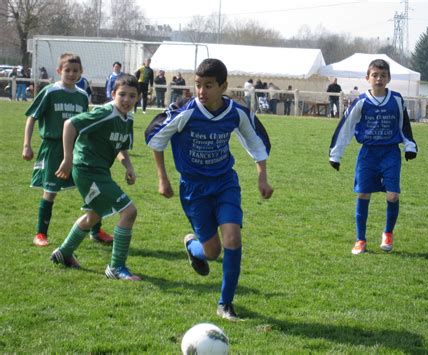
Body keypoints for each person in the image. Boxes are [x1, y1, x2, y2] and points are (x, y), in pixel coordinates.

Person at [145, 58, 273, 320]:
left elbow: (256, 143)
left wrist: (262, 177)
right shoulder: (186, 111)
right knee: (212, 252)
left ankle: (225, 303)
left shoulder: (236, 113)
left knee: (233, 238)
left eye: (209, 86)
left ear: (223, 86)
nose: (201, 91)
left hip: (225, 182)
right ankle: (192, 245)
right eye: (198, 85)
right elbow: (156, 140)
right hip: (194, 188)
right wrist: (163, 178)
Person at [51, 74, 140, 280]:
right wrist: (67, 158)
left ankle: (63, 253)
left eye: (132, 96)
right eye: (122, 94)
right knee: (129, 212)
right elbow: (70, 125)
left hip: (98, 171)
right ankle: (116, 267)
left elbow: (122, 147)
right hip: (87, 169)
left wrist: (129, 166)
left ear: (138, 98)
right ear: (112, 94)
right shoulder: (105, 112)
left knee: (94, 216)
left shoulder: (128, 119)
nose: (127, 100)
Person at [22, 53, 112, 247]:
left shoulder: (81, 96)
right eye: (67, 70)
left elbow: (85, 124)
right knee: (50, 191)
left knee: (91, 189)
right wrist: (26, 145)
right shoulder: (50, 91)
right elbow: (32, 117)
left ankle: (96, 231)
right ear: (59, 71)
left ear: (81, 72)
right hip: (53, 148)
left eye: (75, 71)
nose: (71, 74)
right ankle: (40, 234)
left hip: (77, 148)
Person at [328, 59, 417, 255]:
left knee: (393, 195)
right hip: (368, 154)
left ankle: (388, 233)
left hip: (390, 153)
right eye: (375, 75)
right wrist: (336, 155)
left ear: (389, 78)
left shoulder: (396, 99)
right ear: (367, 78)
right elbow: (346, 128)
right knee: (363, 194)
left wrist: (409, 145)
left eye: (383, 76)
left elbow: (404, 125)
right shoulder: (361, 101)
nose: (379, 79)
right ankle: (360, 240)